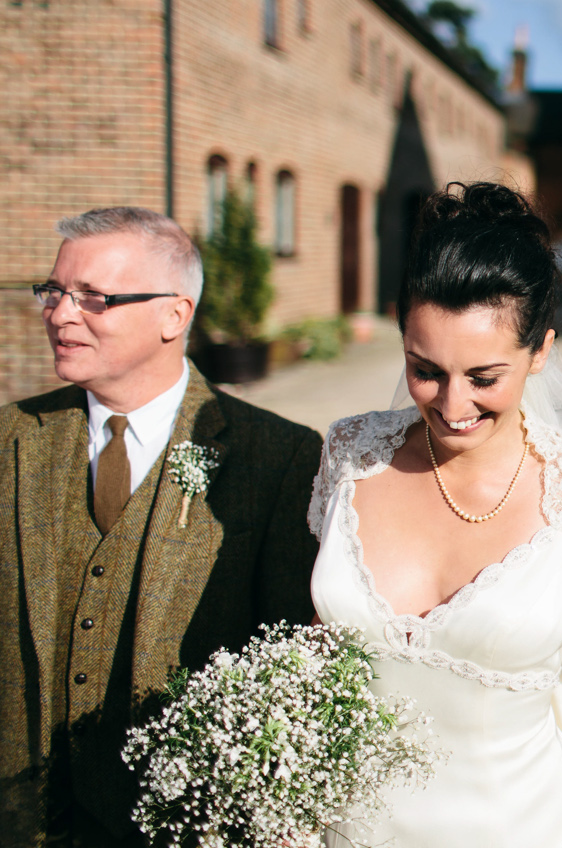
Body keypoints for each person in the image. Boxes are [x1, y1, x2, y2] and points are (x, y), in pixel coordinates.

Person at [308, 182, 562, 848]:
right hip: (354, 824)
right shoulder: (351, 452)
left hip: (520, 824)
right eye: (426, 369)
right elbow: (321, 637)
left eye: (483, 376)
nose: (450, 403)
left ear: (541, 352)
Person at [0, 208, 323, 847]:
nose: (61, 314)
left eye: (94, 297)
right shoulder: (11, 437)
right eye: (55, 292)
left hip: (181, 823)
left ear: (175, 315)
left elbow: (286, 657)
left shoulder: (276, 454)